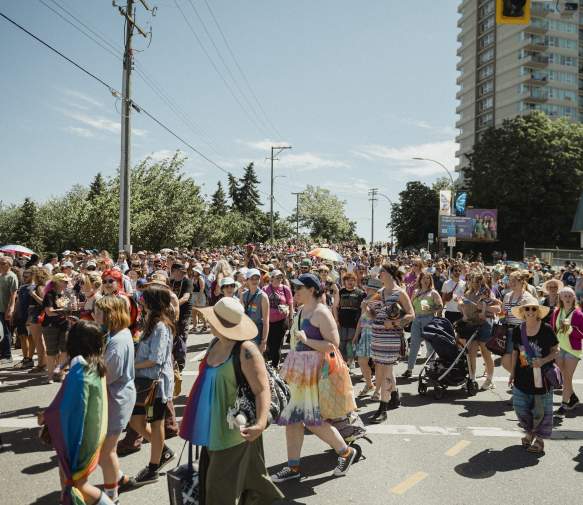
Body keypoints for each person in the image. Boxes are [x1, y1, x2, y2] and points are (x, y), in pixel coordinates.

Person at [179, 297, 283, 504]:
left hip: (234, 432)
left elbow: (262, 389)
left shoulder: (246, 351)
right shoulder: (215, 343)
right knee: (251, 485)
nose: (208, 323)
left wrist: (261, 423)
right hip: (213, 429)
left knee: (218, 491)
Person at [272, 273, 358, 482]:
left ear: (312, 289)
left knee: (311, 420)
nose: (295, 292)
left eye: (299, 288)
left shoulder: (321, 312)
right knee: (292, 419)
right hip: (297, 370)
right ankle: (293, 467)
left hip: (314, 372)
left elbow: (332, 345)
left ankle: (345, 452)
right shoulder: (302, 311)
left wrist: (307, 339)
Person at [39, 320, 113, 505]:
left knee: (78, 483)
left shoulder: (80, 371)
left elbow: (68, 407)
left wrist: (47, 416)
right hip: (92, 431)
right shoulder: (95, 366)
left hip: (80, 437)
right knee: (73, 481)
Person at [127, 284, 176, 486]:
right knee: (135, 421)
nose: (141, 301)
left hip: (155, 383)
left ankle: (153, 468)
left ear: (151, 302)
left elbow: (155, 359)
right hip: (143, 381)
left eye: (144, 298)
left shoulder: (161, 327)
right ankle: (162, 449)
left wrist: (130, 364)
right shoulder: (150, 322)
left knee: (156, 424)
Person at [94, 296, 136, 503]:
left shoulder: (118, 341)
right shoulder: (118, 334)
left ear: (111, 314)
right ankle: (121, 478)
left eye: (99, 312)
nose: (95, 315)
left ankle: (112, 496)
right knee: (105, 450)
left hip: (117, 398)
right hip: (118, 396)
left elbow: (109, 374)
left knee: (105, 452)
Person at [509, 296, 559, 454]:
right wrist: (512, 373)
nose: (530, 311)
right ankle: (529, 432)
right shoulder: (518, 330)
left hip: (542, 377)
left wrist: (543, 361)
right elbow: (515, 353)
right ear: (522, 312)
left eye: (533, 308)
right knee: (520, 406)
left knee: (542, 409)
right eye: (526, 309)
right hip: (522, 376)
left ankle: (540, 440)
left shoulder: (546, 329)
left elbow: (556, 351)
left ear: (538, 311)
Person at [367, 263, 414, 422]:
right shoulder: (379, 292)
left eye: (382, 271)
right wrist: (368, 311)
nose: (379, 274)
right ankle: (394, 395)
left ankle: (383, 408)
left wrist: (393, 323)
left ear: (390, 274)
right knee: (383, 368)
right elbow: (373, 315)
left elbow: (411, 315)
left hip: (391, 338)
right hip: (377, 336)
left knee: (385, 371)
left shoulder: (400, 292)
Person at [457, 273, 500, 391]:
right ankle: (472, 379)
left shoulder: (487, 292)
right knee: (470, 353)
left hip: (485, 325)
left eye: (477, 281)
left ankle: (490, 379)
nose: (474, 283)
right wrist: (461, 309)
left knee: (486, 353)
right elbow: (462, 307)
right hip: (471, 325)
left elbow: (498, 308)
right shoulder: (467, 293)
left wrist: (484, 308)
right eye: (472, 280)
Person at [402, 272, 442, 379]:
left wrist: (431, 309)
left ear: (430, 280)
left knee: (430, 346)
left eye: (428, 278)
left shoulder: (433, 293)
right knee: (414, 345)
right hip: (417, 319)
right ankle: (409, 369)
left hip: (428, 319)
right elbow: (411, 305)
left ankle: (432, 368)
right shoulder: (416, 291)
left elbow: (440, 306)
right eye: (424, 278)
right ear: (420, 280)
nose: (426, 280)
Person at [551, 287, 583, 416]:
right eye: (565, 296)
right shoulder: (557, 312)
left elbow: (581, 334)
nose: (568, 298)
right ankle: (573, 398)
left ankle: (563, 406)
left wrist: (571, 330)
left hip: (572, 350)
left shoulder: (578, 314)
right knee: (564, 379)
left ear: (574, 298)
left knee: (567, 377)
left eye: (570, 296)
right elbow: (553, 330)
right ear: (561, 298)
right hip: (559, 348)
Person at [353, 278, 383, 398]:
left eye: (369, 288)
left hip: (376, 333)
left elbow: (376, 318)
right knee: (361, 361)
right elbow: (361, 319)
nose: (367, 290)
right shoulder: (365, 299)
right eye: (368, 288)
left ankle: (378, 391)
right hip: (365, 333)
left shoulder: (379, 300)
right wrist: (356, 335)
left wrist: (366, 308)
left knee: (379, 364)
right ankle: (369, 385)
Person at [42, 273, 71, 383]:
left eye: (67, 282)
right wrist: (63, 311)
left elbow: (69, 307)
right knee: (51, 352)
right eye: (65, 281)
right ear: (57, 282)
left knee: (64, 350)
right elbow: (49, 312)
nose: (67, 283)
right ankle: (50, 376)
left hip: (64, 324)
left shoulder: (66, 293)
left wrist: (71, 309)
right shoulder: (49, 294)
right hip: (51, 326)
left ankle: (60, 373)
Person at [502, 271, 531, 373]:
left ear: (522, 281)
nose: (512, 283)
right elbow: (503, 313)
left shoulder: (527, 297)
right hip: (509, 331)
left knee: (523, 359)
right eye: (510, 281)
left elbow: (533, 317)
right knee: (506, 361)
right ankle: (517, 377)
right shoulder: (507, 296)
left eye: (514, 281)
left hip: (522, 331)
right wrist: (501, 315)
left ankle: (523, 380)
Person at [335, 272, 366, 368]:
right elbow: (335, 307)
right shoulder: (340, 292)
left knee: (351, 343)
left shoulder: (360, 293)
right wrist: (336, 320)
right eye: (348, 280)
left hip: (354, 323)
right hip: (342, 322)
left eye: (352, 280)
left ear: (355, 282)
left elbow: (363, 309)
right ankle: (341, 363)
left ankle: (349, 362)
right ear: (344, 281)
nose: (350, 282)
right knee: (341, 342)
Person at [264, 269, 294, 366]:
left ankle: (275, 365)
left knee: (277, 345)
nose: (279, 279)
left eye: (280, 277)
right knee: (269, 343)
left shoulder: (285, 289)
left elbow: (290, 304)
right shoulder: (265, 289)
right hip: (268, 322)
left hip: (281, 321)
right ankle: (271, 361)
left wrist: (291, 318)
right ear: (271, 278)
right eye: (277, 277)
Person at [169, 262, 194, 372]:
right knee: (172, 337)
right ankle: (172, 360)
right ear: (173, 271)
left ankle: (180, 365)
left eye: (183, 272)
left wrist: (174, 305)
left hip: (184, 313)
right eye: (180, 272)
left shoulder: (187, 282)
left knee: (181, 337)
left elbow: (185, 297)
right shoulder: (171, 282)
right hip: (172, 314)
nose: (182, 274)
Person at [240, 269, 269, 351]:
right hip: (245, 331)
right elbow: (241, 315)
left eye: (257, 278)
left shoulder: (263, 296)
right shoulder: (244, 295)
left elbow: (266, 321)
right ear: (247, 280)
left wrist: (264, 341)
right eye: (252, 278)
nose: (255, 281)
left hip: (257, 332)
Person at [28, 267, 49, 372]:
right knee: (40, 341)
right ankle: (43, 363)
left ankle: (42, 364)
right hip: (37, 315)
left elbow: (43, 302)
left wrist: (34, 295)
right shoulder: (43, 286)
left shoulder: (39, 287)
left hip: (36, 316)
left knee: (39, 341)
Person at [14, 269, 35, 368]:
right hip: (21, 315)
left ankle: (30, 359)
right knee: (22, 337)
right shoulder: (22, 287)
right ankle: (25, 358)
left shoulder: (35, 287)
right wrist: (14, 313)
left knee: (31, 338)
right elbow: (18, 302)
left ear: (32, 276)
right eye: (24, 276)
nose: (24, 278)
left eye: (27, 276)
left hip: (30, 316)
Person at [0, 256, 18, 363]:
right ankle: (3, 353)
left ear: (9, 265)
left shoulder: (12, 277)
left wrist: (11, 309)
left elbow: (13, 295)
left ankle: (7, 355)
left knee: (5, 332)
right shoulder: (1, 275)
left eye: (3, 263)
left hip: (5, 309)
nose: (0, 265)